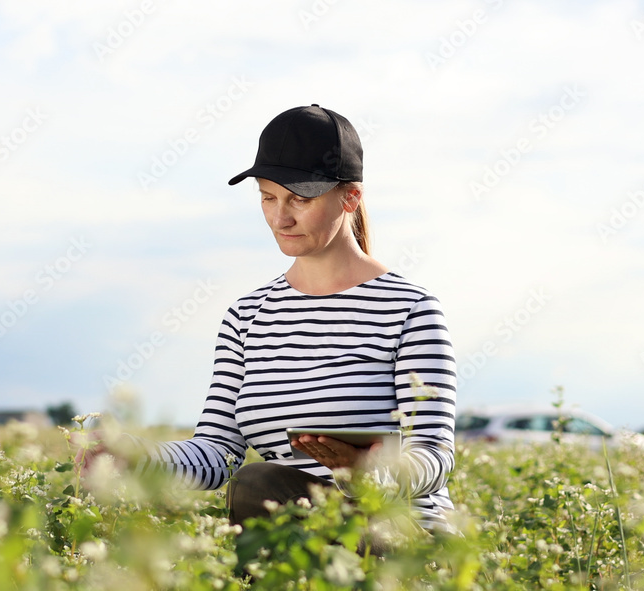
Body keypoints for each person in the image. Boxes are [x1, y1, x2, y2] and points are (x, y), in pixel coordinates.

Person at [79, 104, 457, 534]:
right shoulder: (246, 317)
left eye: (300, 198)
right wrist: (134, 455)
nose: (281, 218)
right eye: (268, 197)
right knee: (256, 486)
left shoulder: (410, 308)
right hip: (293, 537)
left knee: (258, 482)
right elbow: (216, 453)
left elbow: (434, 456)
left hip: (402, 537)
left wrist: (366, 472)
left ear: (350, 196)